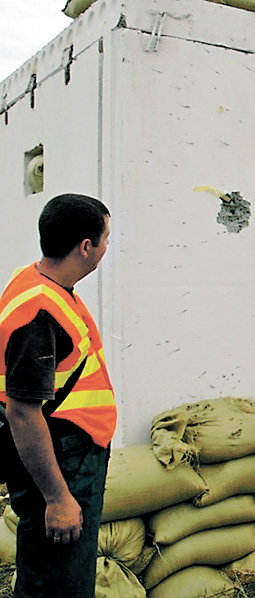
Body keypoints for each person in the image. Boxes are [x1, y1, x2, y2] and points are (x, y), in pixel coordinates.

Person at [0, 193, 117, 597]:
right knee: (57, 584)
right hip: (60, 456)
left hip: (68, 448)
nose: (106, 247)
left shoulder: (35, 278)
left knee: (57, 576)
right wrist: (58, 498)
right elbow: (22, 414)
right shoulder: (39, 312)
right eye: (104, 238)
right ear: (86, 247)